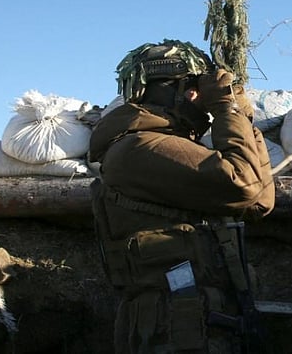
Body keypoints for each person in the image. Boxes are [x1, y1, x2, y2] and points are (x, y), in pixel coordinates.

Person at [89, 39, 276, 354]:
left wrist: (241, 121)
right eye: (195, 88)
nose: (199, 99)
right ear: (176, 90)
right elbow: (243, 184)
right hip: (174, 328)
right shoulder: (140, 148)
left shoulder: (165, 146)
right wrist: (224, 110)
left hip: (197, 322)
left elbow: (259, 201)